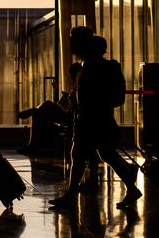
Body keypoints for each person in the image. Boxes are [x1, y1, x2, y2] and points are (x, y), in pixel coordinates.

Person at [49, 30, 141, 209]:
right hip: (94, 118)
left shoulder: (89, 68)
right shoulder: (92, 67)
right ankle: (130, 185)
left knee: (87, 155)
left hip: (93, 118)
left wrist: (83, 101)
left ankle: (72, 194)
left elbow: (96, 95)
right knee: (102, 154)